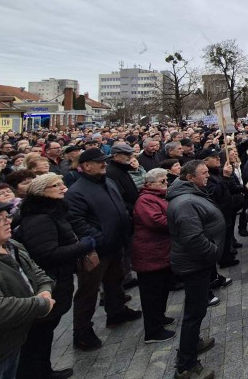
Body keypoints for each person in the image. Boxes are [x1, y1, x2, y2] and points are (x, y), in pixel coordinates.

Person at [14, 174, 95, 379]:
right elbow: (46, 253)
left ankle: (43, 370)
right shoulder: (40, 218)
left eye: (62, 184)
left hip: (58, 278)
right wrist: (82, 246)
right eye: (56, 185)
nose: (64, 188)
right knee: (39, 334)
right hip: (50, 281)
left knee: (46, 331)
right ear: (41, 192)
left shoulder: (52, 212)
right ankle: (36, 373)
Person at [65, 147, 139, 351]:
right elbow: (76, 221)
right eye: (99, 162)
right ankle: (82, 332)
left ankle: (116, 312)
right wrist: (100, 238)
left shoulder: (108, 182)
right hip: (96, 250)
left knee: (115, 280)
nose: (104, 164)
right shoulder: (76, 192)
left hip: (116, 243)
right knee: (88, 291)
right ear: (86, 166)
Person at [0, 201, 56, 379]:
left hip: (10, 343)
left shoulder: (11, 245)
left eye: (7, 217)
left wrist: (45, 290)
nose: (8, 222)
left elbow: (37, 272)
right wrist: (40, 304)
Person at [166, 160, 225, 379]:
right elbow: (192, 238)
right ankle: (186, 365)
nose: (208, 176)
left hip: (198, 263)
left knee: (197, 309)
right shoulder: (185, 203)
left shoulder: (192, 194)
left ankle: (193, 343)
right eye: (204, 173)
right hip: (195, 264)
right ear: (190, 178)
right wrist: (213, 252)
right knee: (194, 311)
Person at [132, 168, 175, 344]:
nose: (166, 183)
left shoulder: (158, 197)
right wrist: (178, 218)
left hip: (161, 252)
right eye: (162, 181)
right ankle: (153, 330)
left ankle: (159, 318)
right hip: (150, 254)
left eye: (166, 180)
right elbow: (157, 221)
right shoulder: (145, 200)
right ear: (149, 184)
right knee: (152, 294)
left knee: (162, 289)